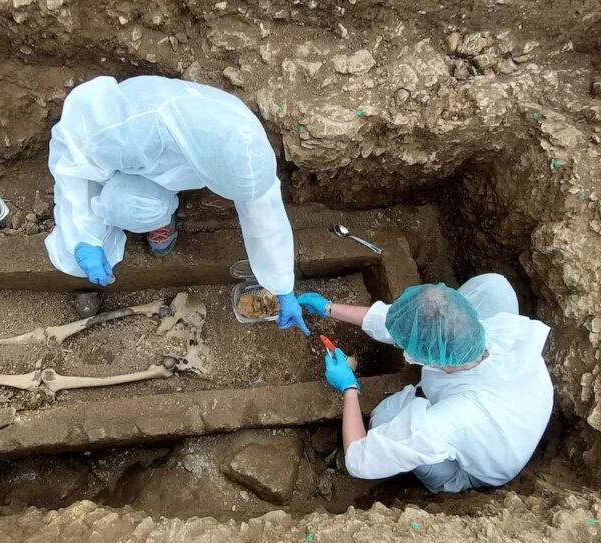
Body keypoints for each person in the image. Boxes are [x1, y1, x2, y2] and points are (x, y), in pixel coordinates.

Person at [45, 75, 309, 335]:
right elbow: (73, 160)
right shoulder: (129, 131)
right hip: (122, 160)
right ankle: (154, 216)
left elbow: (263, 211)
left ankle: (158, 206)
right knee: (126, 205)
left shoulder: (244, 143)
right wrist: (84, 233)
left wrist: (282, 285)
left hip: (171, 160)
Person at [298, 274, 553, 492]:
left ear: (429, 357)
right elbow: (418, 325)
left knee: (385, 416)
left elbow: (359, 460)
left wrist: (349, 387)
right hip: (513, 407)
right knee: (494, 288)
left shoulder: (445, 422)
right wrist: (328, 308)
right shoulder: (494, 331)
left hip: (475, 468)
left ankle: (446, 486)